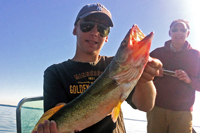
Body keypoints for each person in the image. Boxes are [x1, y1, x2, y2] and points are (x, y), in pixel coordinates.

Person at [33, 3, 162, 133]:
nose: (94, 33)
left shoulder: (114, 65)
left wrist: (145, 79)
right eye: (87, 26)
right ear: (75, 29)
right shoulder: (55, 72)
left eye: (102, 29)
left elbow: (146, 105)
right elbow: (56, 113)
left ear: (107, 37)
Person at [147, 19, 200, 133]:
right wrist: (154, 73)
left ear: (188, 33)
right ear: (170, 33)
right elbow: (141, 74)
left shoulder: (196, 56)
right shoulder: (156, 53)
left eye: (183, 30)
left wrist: (189, 80)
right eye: (175, 30)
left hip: (183, 113)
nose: (178, 32)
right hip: (156, 109)